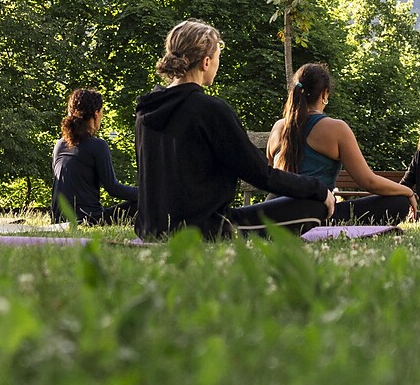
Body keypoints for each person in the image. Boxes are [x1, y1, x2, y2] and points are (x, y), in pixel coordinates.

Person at [133, 20, 336, 239]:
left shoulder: (146, 111)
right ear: (206, 62)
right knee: (314, 205)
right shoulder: (210, 110)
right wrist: (318, 189)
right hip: (203, 229)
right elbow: (261, 175)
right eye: (218, 58)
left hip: (149, 228)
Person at [268, 63, 417, 226]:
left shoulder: (278, 127)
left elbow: (269, 175)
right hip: (312, 216)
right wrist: (407, 191)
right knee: (399, 202)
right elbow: (368, 182)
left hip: (272, 213)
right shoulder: (336, 128)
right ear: (325, 94)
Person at [51, 88, 137, 224]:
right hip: (89, 219)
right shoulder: (98, 145)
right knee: (144, 203)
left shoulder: (59, 145)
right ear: (96, 114)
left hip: (58, 220)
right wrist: (147, 192)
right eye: (102, 113)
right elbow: (113, 189)